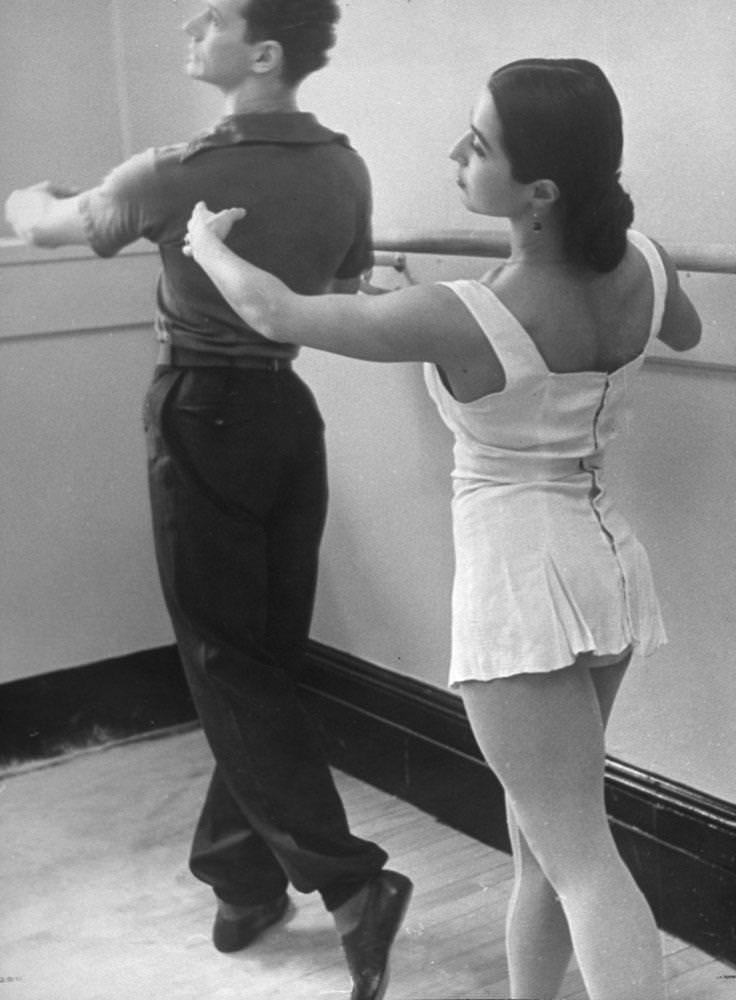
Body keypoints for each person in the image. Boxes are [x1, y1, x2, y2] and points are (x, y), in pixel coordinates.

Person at [182, 57, 702, 1000]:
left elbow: (273, 309)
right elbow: (687, 332)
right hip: (604, 569)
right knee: (544, 847)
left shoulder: (466, 314)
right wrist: (396, 302)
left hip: (522, 587)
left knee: (580, 856)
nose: (457, 153)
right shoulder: (646, 268)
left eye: (479, 143)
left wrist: (204, 240)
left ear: (538, 191)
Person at [5, 3, 412, 998]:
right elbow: (346, 279)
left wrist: (24, 198)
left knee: (227, 660)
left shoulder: (175, 169)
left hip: (199, 416)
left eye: (215, 16)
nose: (190, 24)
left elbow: (61, 224)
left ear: (262, 54)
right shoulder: (345, 167)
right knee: (260, 657)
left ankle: (351, 882)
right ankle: (239, 874)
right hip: (289, 414)